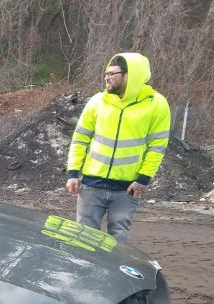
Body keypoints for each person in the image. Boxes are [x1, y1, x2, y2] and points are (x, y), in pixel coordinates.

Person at [66, 53, 171, 242]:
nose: (106, 77)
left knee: (118, 241)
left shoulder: (156, 104)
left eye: (112, 73)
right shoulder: (98, 101)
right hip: (91, 185)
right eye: (106, 73)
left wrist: (143, 180)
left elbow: (157, 147)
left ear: (130, 75)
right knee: (84, 239)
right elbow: (80, 138)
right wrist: (73, 173)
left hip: (127, 188)